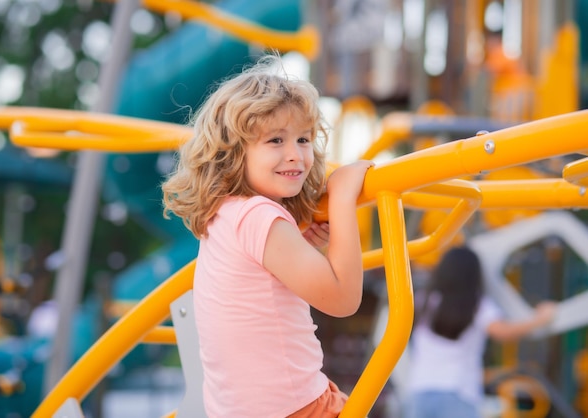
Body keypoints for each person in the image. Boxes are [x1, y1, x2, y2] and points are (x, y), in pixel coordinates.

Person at [162, 54, 374, 418]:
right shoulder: (260, 215)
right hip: (298, 408)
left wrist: (303, 244)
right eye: (275, 140)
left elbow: (255, 287)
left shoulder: (225, 214)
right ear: (232, 153)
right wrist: (342, 198)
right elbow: (343, 299)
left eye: (304, 139)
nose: (295, 155)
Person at [403, 246, 557, 418]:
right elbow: (502, 332)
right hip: (458, 392)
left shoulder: (424, 300)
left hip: (419, 391)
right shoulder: (477, 305)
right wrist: (540, 319)